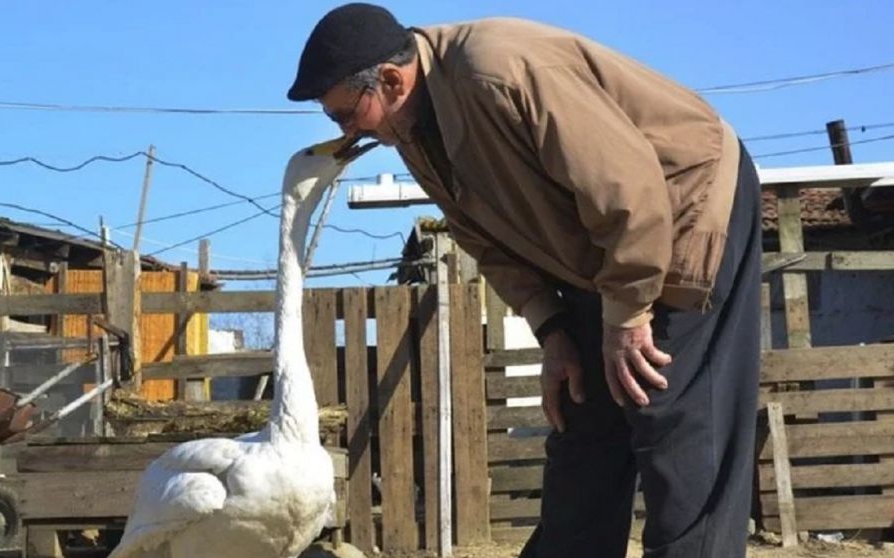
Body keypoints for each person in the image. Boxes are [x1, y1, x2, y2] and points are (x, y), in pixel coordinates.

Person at [288, 4, 762, 557]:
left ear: (392, 80)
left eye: (346, 114)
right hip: (597, 249)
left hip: (685, 209)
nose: (347, 133)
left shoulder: (497, 73)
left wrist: (628, 312)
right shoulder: (411, 128)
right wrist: (553, 328)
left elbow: (628, 189)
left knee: (670, 415)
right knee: (583, 416)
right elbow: (485, 240)